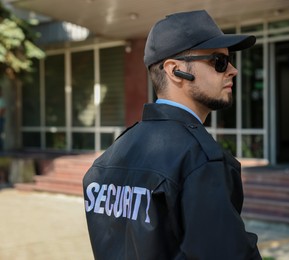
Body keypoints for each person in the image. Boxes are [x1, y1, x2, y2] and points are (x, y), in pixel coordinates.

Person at [83, 10, 261, 260]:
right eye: (218, 62)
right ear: (175, 70)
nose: (233, 70)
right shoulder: (199, 161)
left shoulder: (108, 159)